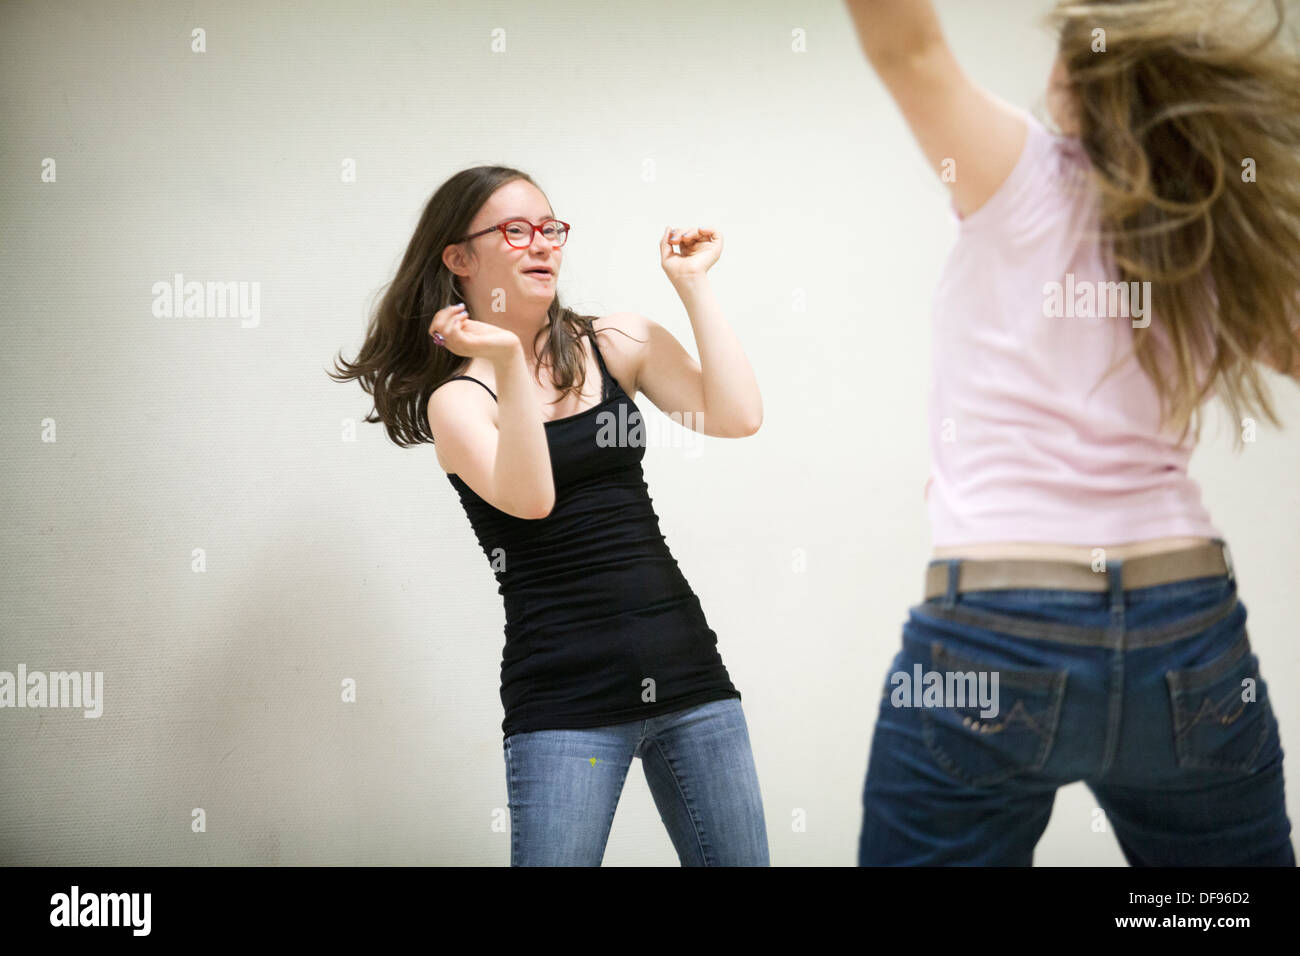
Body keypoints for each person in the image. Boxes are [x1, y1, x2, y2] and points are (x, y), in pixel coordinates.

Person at [844, 0, 1300, 864]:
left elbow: (906, 46)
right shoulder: (1207, 229)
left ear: (1072, 81)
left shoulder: (1019, 173)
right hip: (1188, 628)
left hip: (1002, 621)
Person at [330, 166, 768, 865]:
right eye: (515, 230)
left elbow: (738, 415)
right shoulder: (461, 403)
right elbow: (533, 499)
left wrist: (693, 285)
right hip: (566, 699)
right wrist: (504, 358)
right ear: (459, 258)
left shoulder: (616, 342)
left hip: (689, 673)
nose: (542, 245)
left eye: (550, 228)